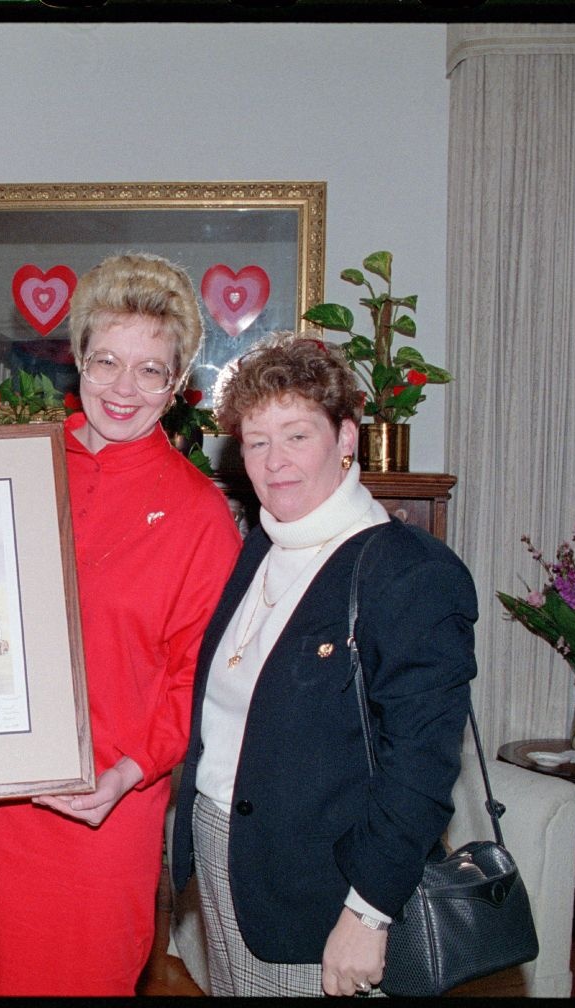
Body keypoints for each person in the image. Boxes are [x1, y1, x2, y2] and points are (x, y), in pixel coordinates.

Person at [0, 252, 242, 995]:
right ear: (77, 359)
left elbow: (196, 680)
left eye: (150, 370)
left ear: (179, 386)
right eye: (106, 361)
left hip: (103, 808)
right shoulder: (8, 465)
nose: (123, 389)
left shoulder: (201, 515)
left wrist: (130, 771)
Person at [167, 332, 477, 997]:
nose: (275, 462)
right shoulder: (258, 551)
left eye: (297, 436)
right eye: (257, 441)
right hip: (235, 872)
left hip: (328, 894)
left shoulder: (407, 571)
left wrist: (368, 912)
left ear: (345, 438)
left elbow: (421, 767)